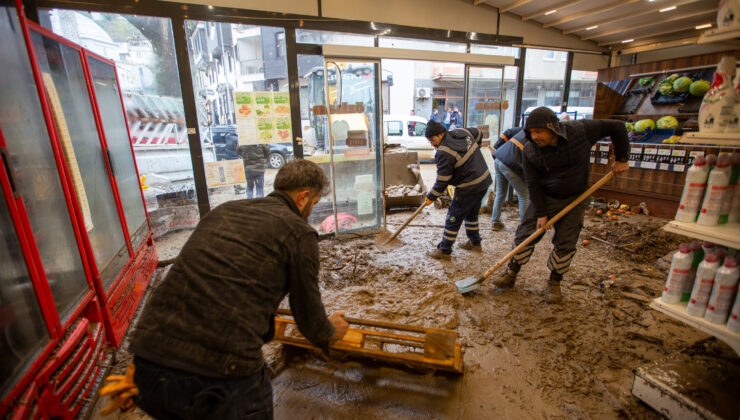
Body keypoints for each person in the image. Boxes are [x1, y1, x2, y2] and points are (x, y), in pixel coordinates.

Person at [125, 159, 349, 419]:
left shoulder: (224, 212)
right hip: (221, 372)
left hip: (148, 367)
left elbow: (183, 277)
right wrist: (331, 331)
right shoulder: (299, 234)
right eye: (315, 203)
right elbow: (308, 318)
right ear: (303, 198)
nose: (311, 211)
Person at [492, 107, 629, 303]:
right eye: (531, 132)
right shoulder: (530, 150)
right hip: (546, 196)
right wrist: (541, 212)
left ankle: (554, 283)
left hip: (576, 198)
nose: (534, 136)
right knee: (526, 233)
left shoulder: (580, 131)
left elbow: (617, 127)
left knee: (566, 241)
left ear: (552, 128)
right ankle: (511, 273)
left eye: (538, 131)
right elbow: (532, 184)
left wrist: (622, 158)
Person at [424, 120, 492, 260]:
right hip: (484, 181)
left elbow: (443, 180)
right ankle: (475, 242)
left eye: (433, 140)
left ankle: (444, 250)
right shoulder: (462, 132)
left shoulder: (443, 152)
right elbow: (479, 133)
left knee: (453, 217)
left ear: (441, 134)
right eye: (429, 141)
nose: (432, 144)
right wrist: (474, 152)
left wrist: (432, 196)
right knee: (471, 214)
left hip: (469, 187)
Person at [490, 126, 528, 232]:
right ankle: (526, 227)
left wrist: (497, 148)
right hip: (510, 163)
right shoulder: (531, 134)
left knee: (500, 193)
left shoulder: (523, 131)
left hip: (499, 158)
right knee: (524, 195)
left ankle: (495, 221)